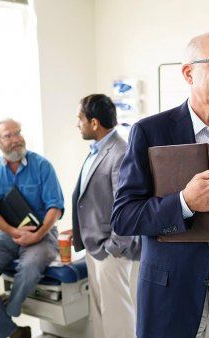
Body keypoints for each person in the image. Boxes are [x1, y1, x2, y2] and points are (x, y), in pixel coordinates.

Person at [111, 32, 209, 338]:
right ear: (188, 73)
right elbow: (124, 217)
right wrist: (183, 203)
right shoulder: (150, 132)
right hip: (172, 296)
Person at [0, 118, 64, 338]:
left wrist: (37, 234)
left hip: (43, 234)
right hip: (7, 235)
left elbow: (55, 207)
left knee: (30, 267)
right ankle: (11, 331)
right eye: (8, 136)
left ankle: (3, 313)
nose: (16, 139)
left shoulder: (42, 166)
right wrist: (13, 232)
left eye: (18, 133)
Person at [72, 94, 140, 338]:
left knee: (118, 317)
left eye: (79, 118)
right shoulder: (96, 150)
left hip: (111, 249)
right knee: (100, 314)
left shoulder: (119, 152)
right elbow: (92, 199)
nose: (76, 124)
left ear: (94, 123)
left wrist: (114, 247)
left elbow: (127, 204)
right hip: (94, 246)